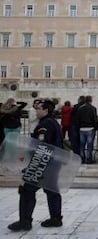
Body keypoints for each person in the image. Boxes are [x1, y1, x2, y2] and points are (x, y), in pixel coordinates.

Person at [8, 99, 64, 231]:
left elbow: (42, 147)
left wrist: (32, 166)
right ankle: (56, 218)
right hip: (53, 164)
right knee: (52, 191)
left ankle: (24, 222)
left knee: (26, 191)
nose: (36, 110)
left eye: (38, 108)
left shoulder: (44, 126)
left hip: (42, 165)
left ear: (45, 110)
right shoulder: (53, 122)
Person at [76, 95, 98, 164]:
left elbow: (78, 119)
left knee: (82, 145)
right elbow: (95, 119)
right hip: (90, 128)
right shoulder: (93, 108)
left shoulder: (80, 108)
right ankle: (89, 159)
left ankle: (82, 159)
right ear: (91, 100)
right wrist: (96, 127)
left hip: (82, 129)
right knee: (89, 145)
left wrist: (78, 127)